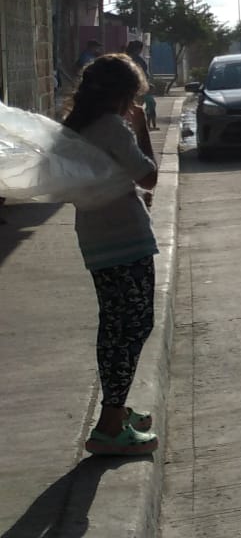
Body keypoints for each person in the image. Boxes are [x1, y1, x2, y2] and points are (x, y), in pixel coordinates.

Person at [62, 54, 161, 455]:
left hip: (97, 238)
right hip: (126, 240)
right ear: (124, 95)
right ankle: (110, 423)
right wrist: (140, 127)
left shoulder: (76, 128)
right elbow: (149, 175)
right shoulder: (112, 127)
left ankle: (116, 411)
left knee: (115, 326)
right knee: (133, 327)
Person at [124, 40, 157, 129]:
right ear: (137, 49)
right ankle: (135, 124)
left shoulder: (128, 57)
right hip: (136, 86)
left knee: (133, 106)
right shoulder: (134, 59)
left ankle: (133, 124)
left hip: (135, 85)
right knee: (136, 106)